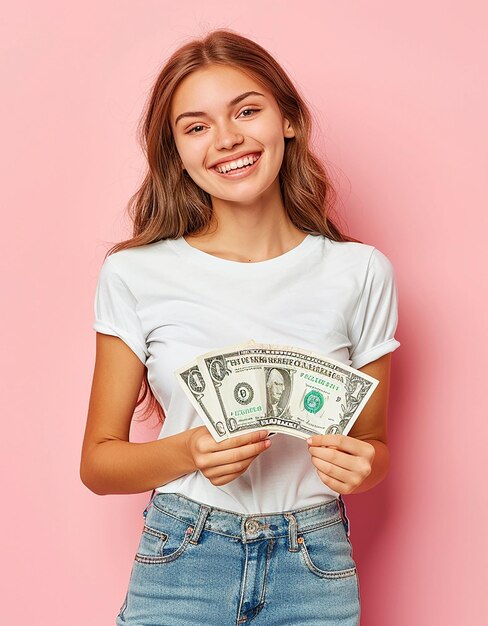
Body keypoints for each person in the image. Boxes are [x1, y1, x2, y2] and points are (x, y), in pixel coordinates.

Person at [80, 28, 401, 626]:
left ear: (289, 120)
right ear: (175, 152)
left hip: (315, 564)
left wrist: (362, 466)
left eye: (246, 111)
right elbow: (97, 463)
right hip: (182, 557)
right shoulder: (134, 274)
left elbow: (375, 446)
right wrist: (189, 451)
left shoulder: (360, 273)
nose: (227, 139)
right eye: (196, 126)